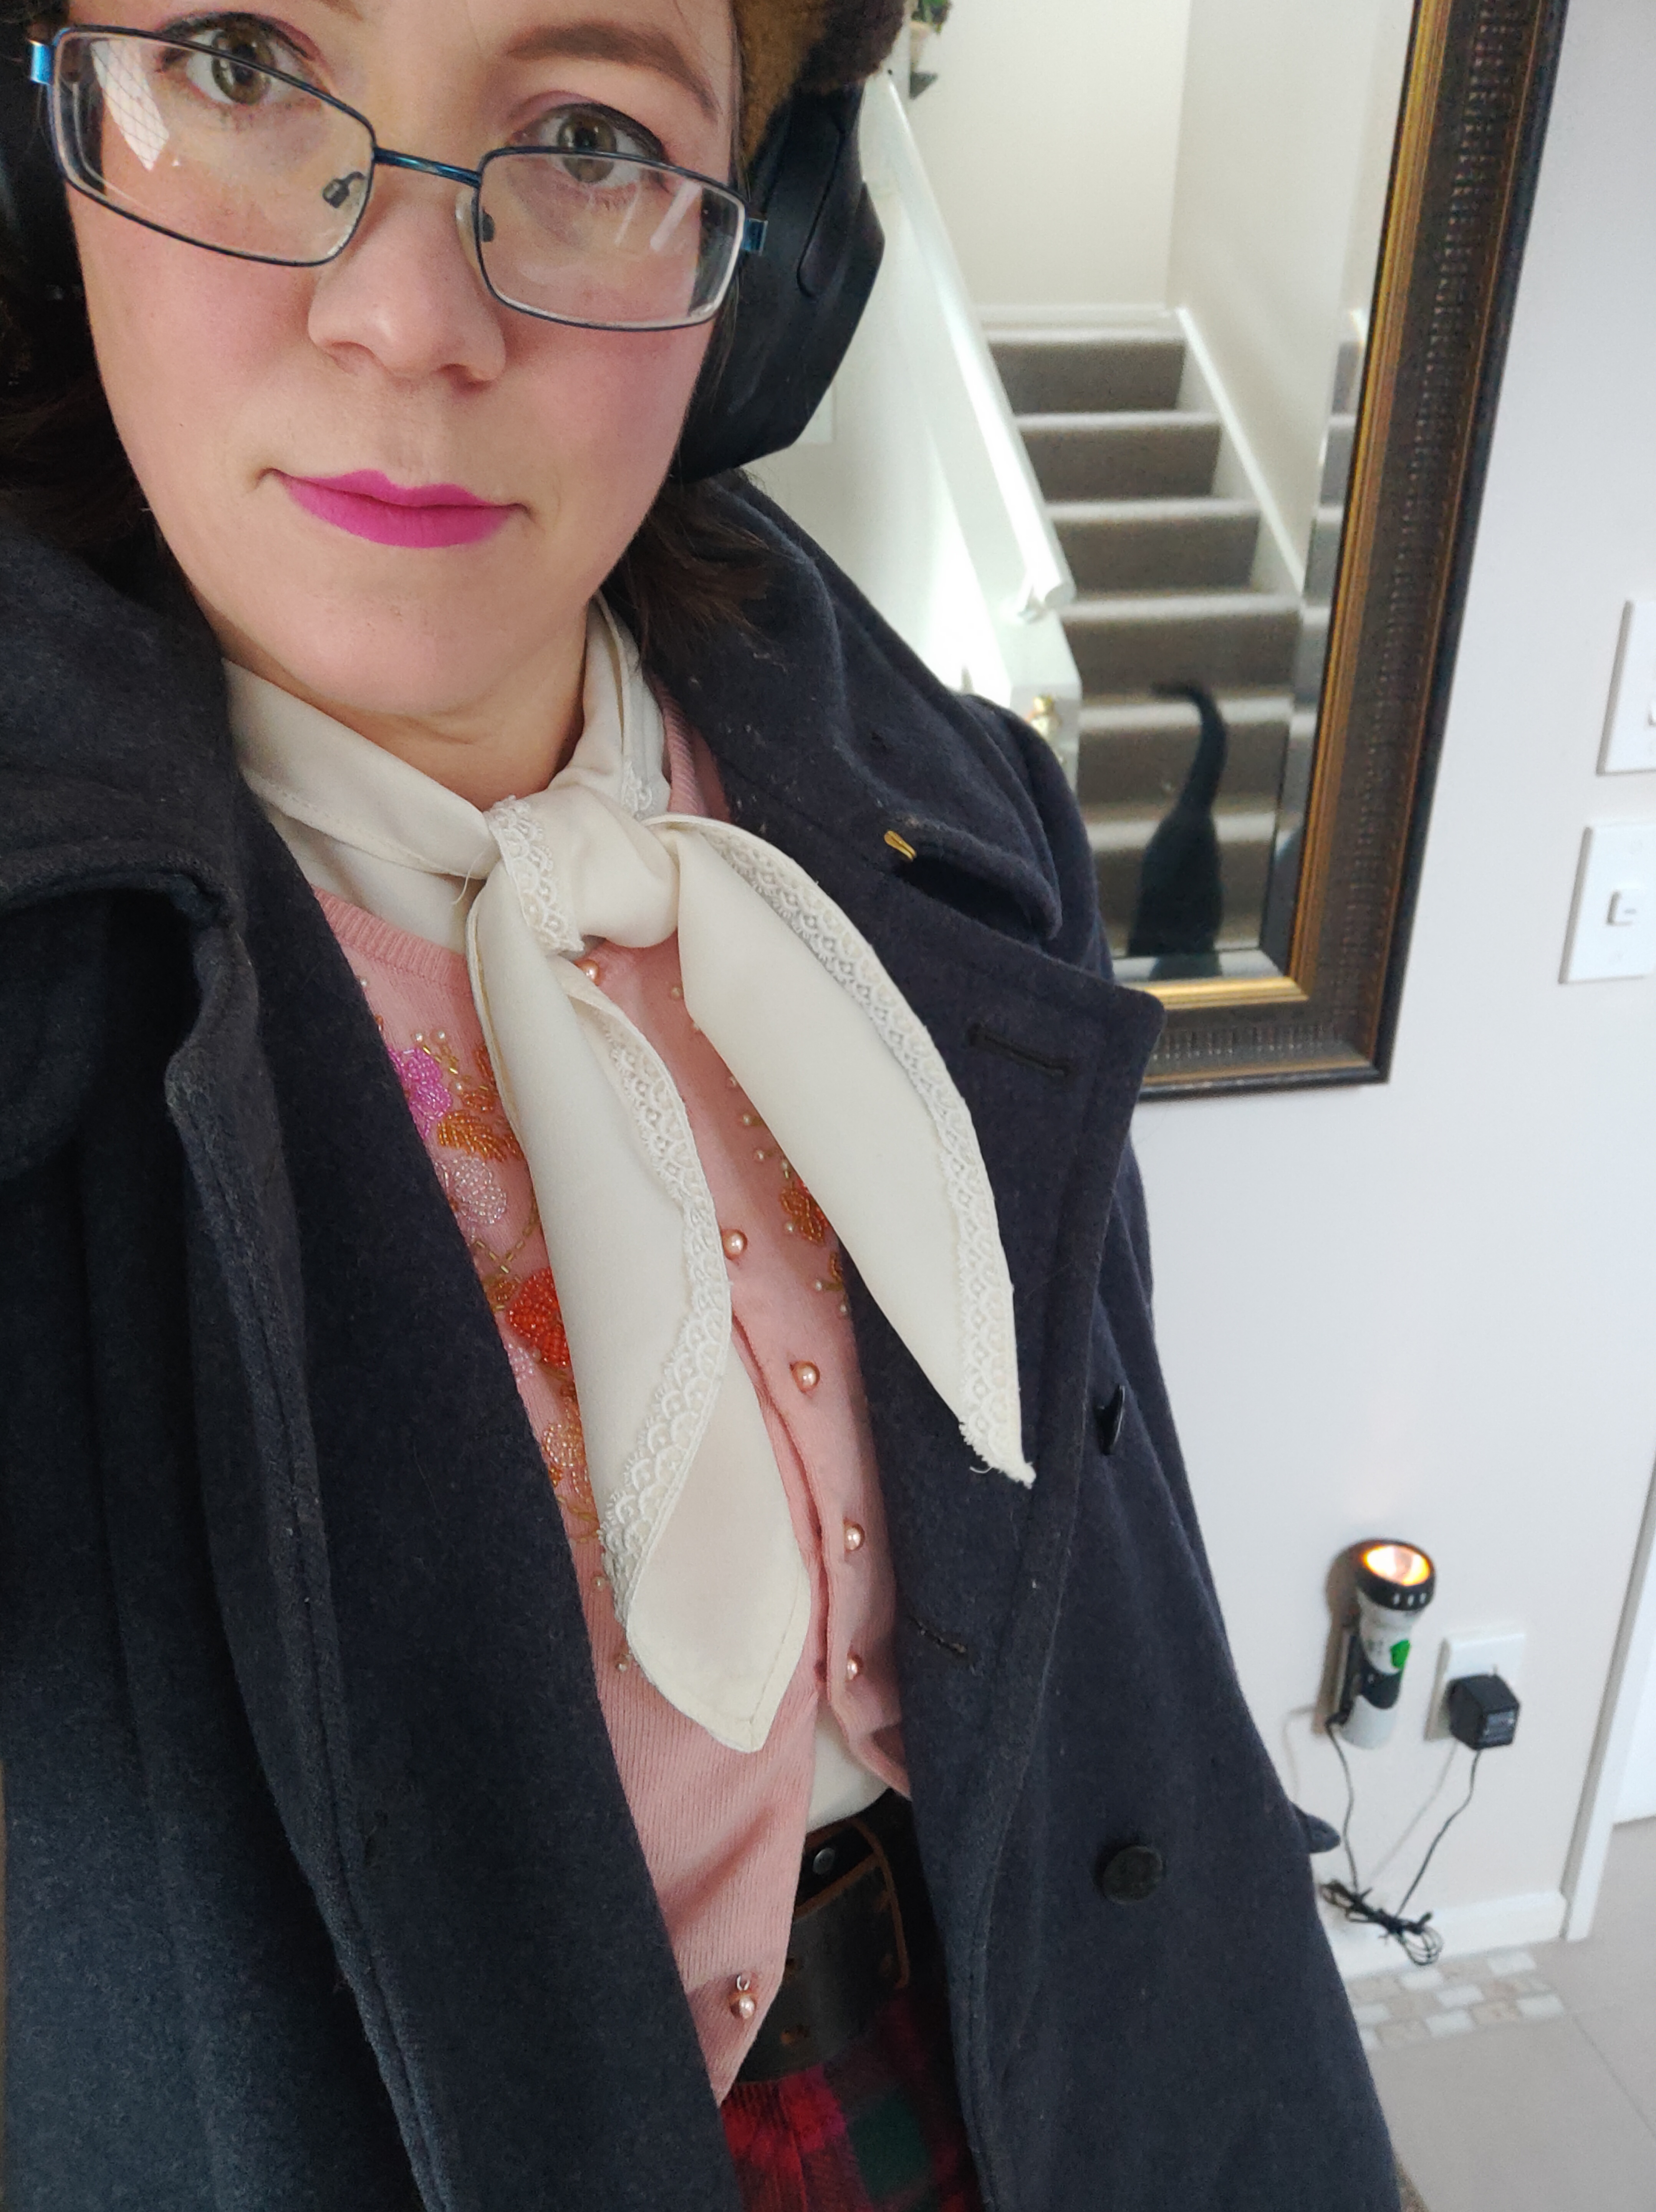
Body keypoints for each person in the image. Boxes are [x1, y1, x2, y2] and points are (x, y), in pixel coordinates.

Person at [0, 1, 1399, 2206]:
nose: (406, 318)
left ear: (774, 254)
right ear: (52, 140)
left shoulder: (954, 810)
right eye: (247, 65)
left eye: (585, 135)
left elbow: (1122, 1614)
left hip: (1064, 2077)